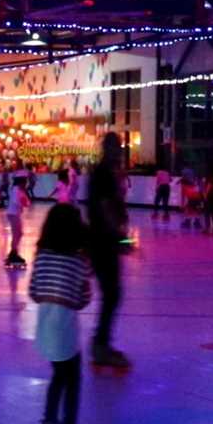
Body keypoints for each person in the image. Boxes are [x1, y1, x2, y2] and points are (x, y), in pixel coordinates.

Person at [30, 203, 99, 424]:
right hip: (65, 332)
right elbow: (81, 300)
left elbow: (34, 292)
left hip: (44, 329)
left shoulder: (42, 256)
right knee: (73, 378)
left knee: (58, 377)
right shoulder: (78, 261)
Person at [87, 132, 130, 368]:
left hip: (104, 240)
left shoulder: (107, 173)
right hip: (102, 241)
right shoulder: (103, 173)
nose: (121, 152)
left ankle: (101, 342)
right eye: (117, 148)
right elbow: (105, 208)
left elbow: (112, 205)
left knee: (112, 294)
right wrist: (121, 237)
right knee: (112, 293)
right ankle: (100, 344)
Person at [5, 173, 31, 266]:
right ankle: (13, 254)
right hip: (13, 213)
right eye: (24, 182)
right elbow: (16, 201)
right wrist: (23, 203)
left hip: (15, 213)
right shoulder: (15, 189)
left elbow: (27, 202)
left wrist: (25, 203)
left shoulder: (20, 190)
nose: (25, 184)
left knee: (18, 234)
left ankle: (13, 252)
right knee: (17, 233)